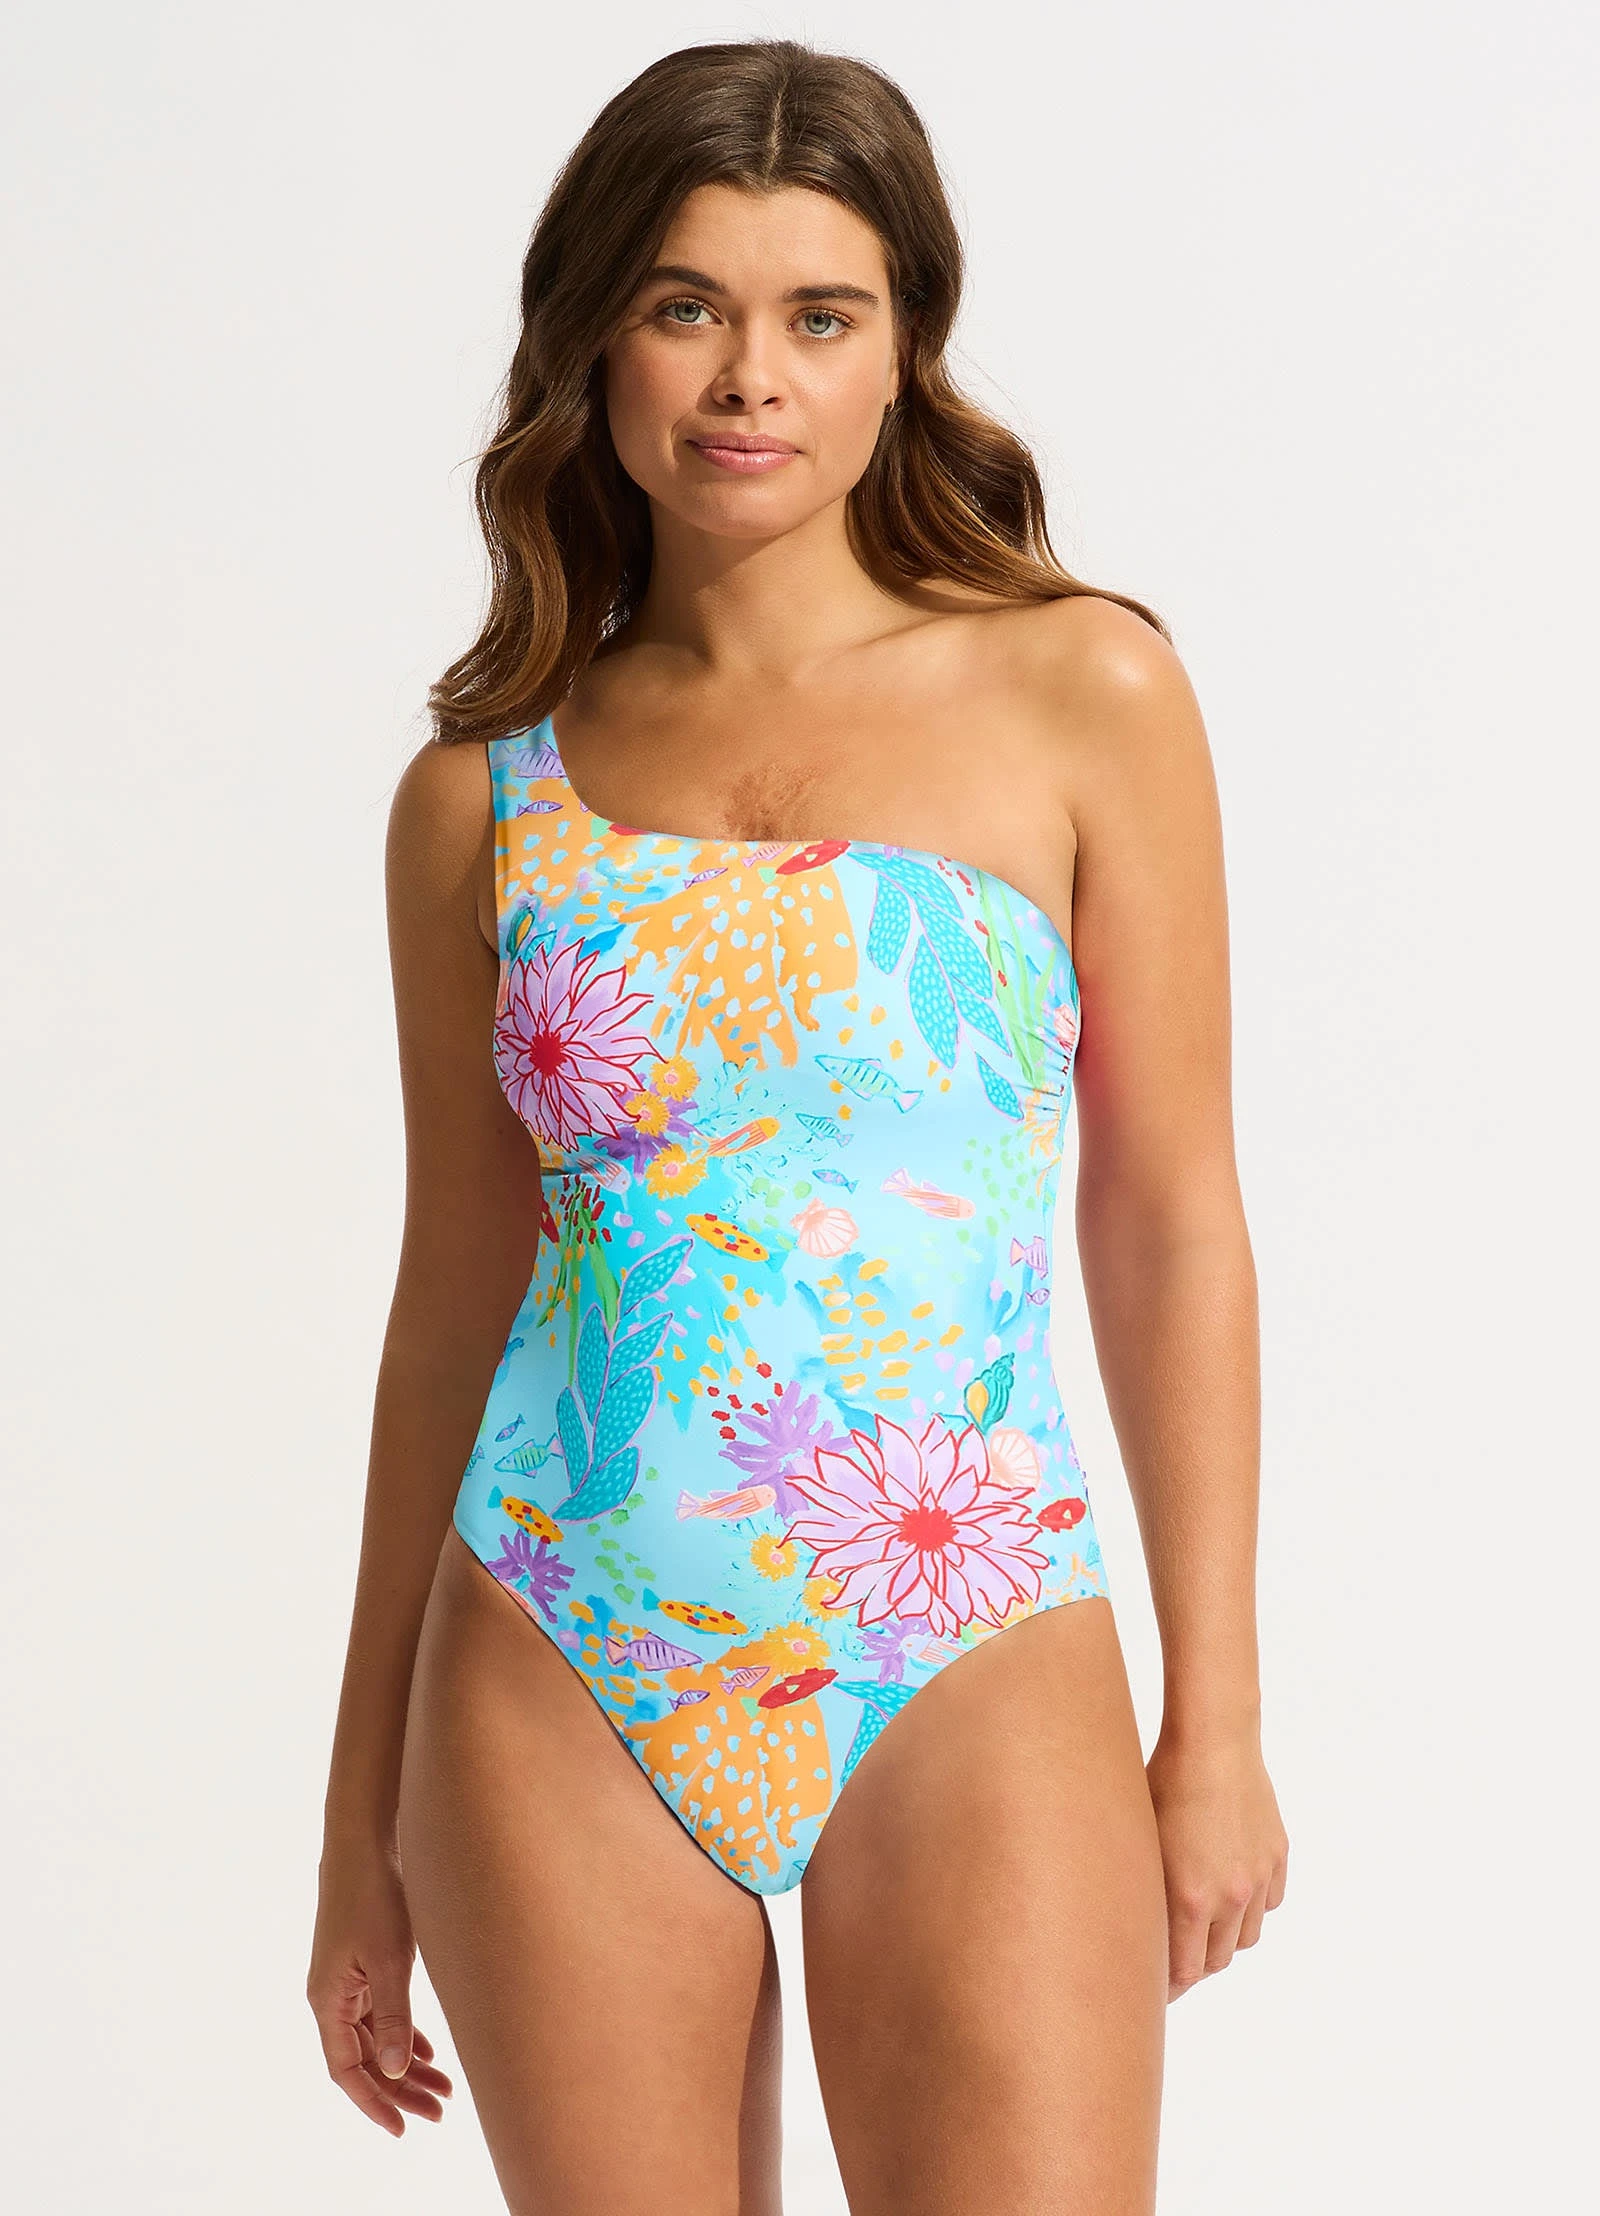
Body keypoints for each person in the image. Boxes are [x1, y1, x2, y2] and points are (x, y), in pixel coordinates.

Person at [307, 37, 1288, 2216]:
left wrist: (1214, 1714)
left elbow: (1170, 1219)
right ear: (596, 339)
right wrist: (354, 1820)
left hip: (968, 1628)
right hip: (557, 1642)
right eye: (686, 307)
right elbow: (451, 1298)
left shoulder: (1081, 692)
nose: (749, 377)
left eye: (818, 315)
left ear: (903, 346)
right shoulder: (480, 796)